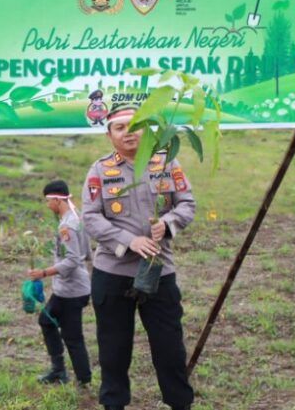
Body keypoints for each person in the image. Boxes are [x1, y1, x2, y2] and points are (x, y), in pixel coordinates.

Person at [82, 104, 195, 410]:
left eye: (134, 125)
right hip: (113, 273)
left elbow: (186, 204)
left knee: (169, 346)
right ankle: (114, 405)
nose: (128, 133)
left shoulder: (166, 163)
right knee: (114, 350)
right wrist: (129, 240)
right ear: (109, 135)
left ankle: (179, 403)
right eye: (119, 128)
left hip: (159, 269)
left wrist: (167, 224)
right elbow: (90, 218)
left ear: (146, 129)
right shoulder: (100, 170)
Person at [27, 180, 92, 386]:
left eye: (48, 201)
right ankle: (59, 370)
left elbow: (73, 260)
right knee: (46, 321)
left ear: (57, 199)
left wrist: (44, 272)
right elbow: (87, 252)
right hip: (69, 288)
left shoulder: (67, 226)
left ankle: (82, 379)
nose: (47, 206)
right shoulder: (76, 217)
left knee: (73, 337)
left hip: (71, 291)